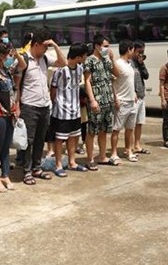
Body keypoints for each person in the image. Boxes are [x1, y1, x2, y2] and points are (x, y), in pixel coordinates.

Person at [17, 28, 67, 185]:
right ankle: (26, 171)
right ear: (36, 44)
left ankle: (36, 168)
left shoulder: (45, 58)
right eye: (45, 46)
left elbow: (63, 62)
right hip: (28, 106)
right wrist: (17, 105)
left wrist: (55, 45)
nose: (46, 50)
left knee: (40, 140)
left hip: (44, 106)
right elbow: (17, 85)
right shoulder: (24, 59)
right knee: (28, 141)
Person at [0, 42, 25, 191]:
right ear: (1, 56)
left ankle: (6, 175)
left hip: (10, 115)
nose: (11, 57)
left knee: (6, 149)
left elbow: (22, 66)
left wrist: (17, 54)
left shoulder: (8, 71)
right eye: (9, 55)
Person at [50, 43, 89, 177]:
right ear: (78, 56)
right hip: (62, 111)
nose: (85, 58)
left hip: (75, 109)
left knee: (74, 135)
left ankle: (72, 162)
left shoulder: (79, 69)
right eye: (84, 55)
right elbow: (53, 90)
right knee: (60, 138)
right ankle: (58, 164)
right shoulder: (60, 71)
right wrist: (56, 105)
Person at [83, 34, 119, 168]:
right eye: (105, 46)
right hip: (97, 100)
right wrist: (92, 100)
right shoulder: (90, 61)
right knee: (92, 131)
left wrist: (112, 58)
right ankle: (90, 159)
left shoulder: (106, 60)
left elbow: (117, 74)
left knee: (104, 130)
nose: (107, 49)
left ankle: (102, 156)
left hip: (107, 100)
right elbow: (87, 81)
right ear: (97, 46)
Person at [110, 39, 138, 163]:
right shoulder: (117, 64)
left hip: (132, 101)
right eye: (132, 49)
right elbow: (112, 82)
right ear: (129, 49)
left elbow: (129, 82)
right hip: (122, 101)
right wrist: (115, 98)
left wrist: (134, 94)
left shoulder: (129, 64)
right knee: (116, 129)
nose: (133, 52)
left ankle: (129, 150)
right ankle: (114, 153)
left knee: (130, 129)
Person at [131, 40, 150, 155]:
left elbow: (146, 76)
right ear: (133, 50)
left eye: (142, 52)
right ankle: (130, 147)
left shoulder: (139, 63)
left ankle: (137, 145)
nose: (141, 54)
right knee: (131, 124)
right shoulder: (129, 63)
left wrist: (142, 64)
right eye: (139, 52)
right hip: (134, 97)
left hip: (141, 95)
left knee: (139, 122)